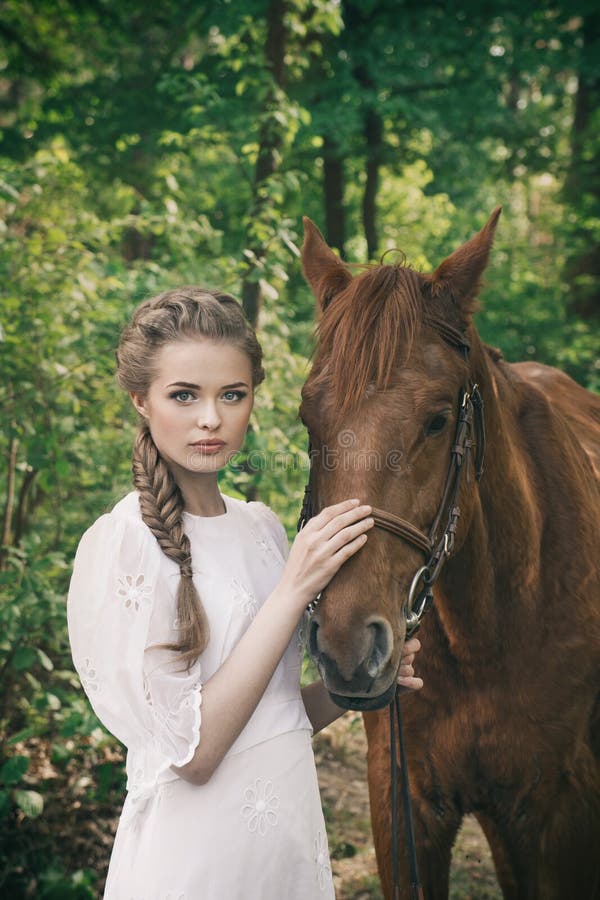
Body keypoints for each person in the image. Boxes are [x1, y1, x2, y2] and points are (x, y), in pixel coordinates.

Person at [67, 286, 422, 899]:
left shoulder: (262, 529)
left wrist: (359, 685)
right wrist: (292, 592)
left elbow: (279, 718)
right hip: (195, 866)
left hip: (285, 856)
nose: (211, 418)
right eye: (184, 395)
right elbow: (196, 756)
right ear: (140, 400)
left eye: (232, 394)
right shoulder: (123, 544)